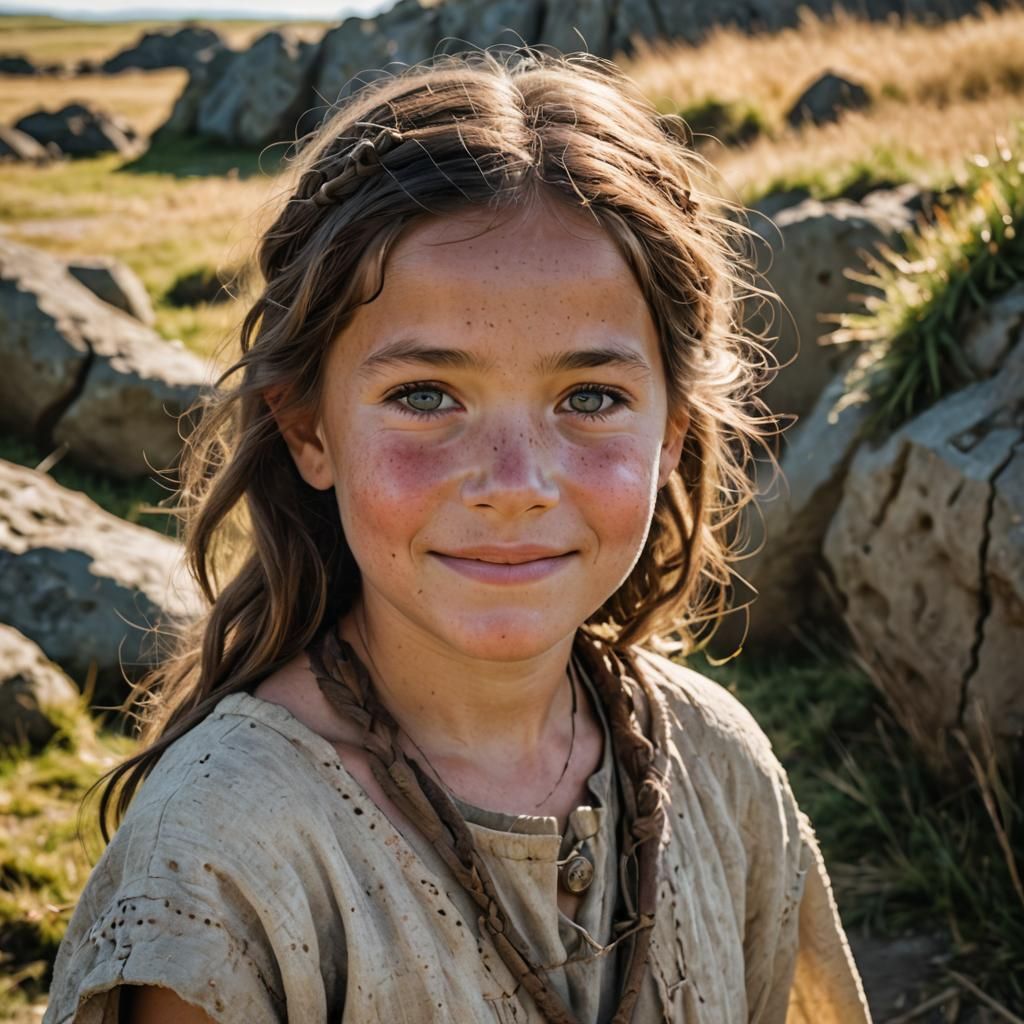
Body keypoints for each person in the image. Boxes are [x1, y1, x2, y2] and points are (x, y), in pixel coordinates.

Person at [44, 47, 871, 1024]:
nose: (515, 486)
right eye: (425, 394)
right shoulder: (229, 853)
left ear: (668, 437)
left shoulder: (717, 761)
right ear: (310, 428)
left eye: (591, 397)